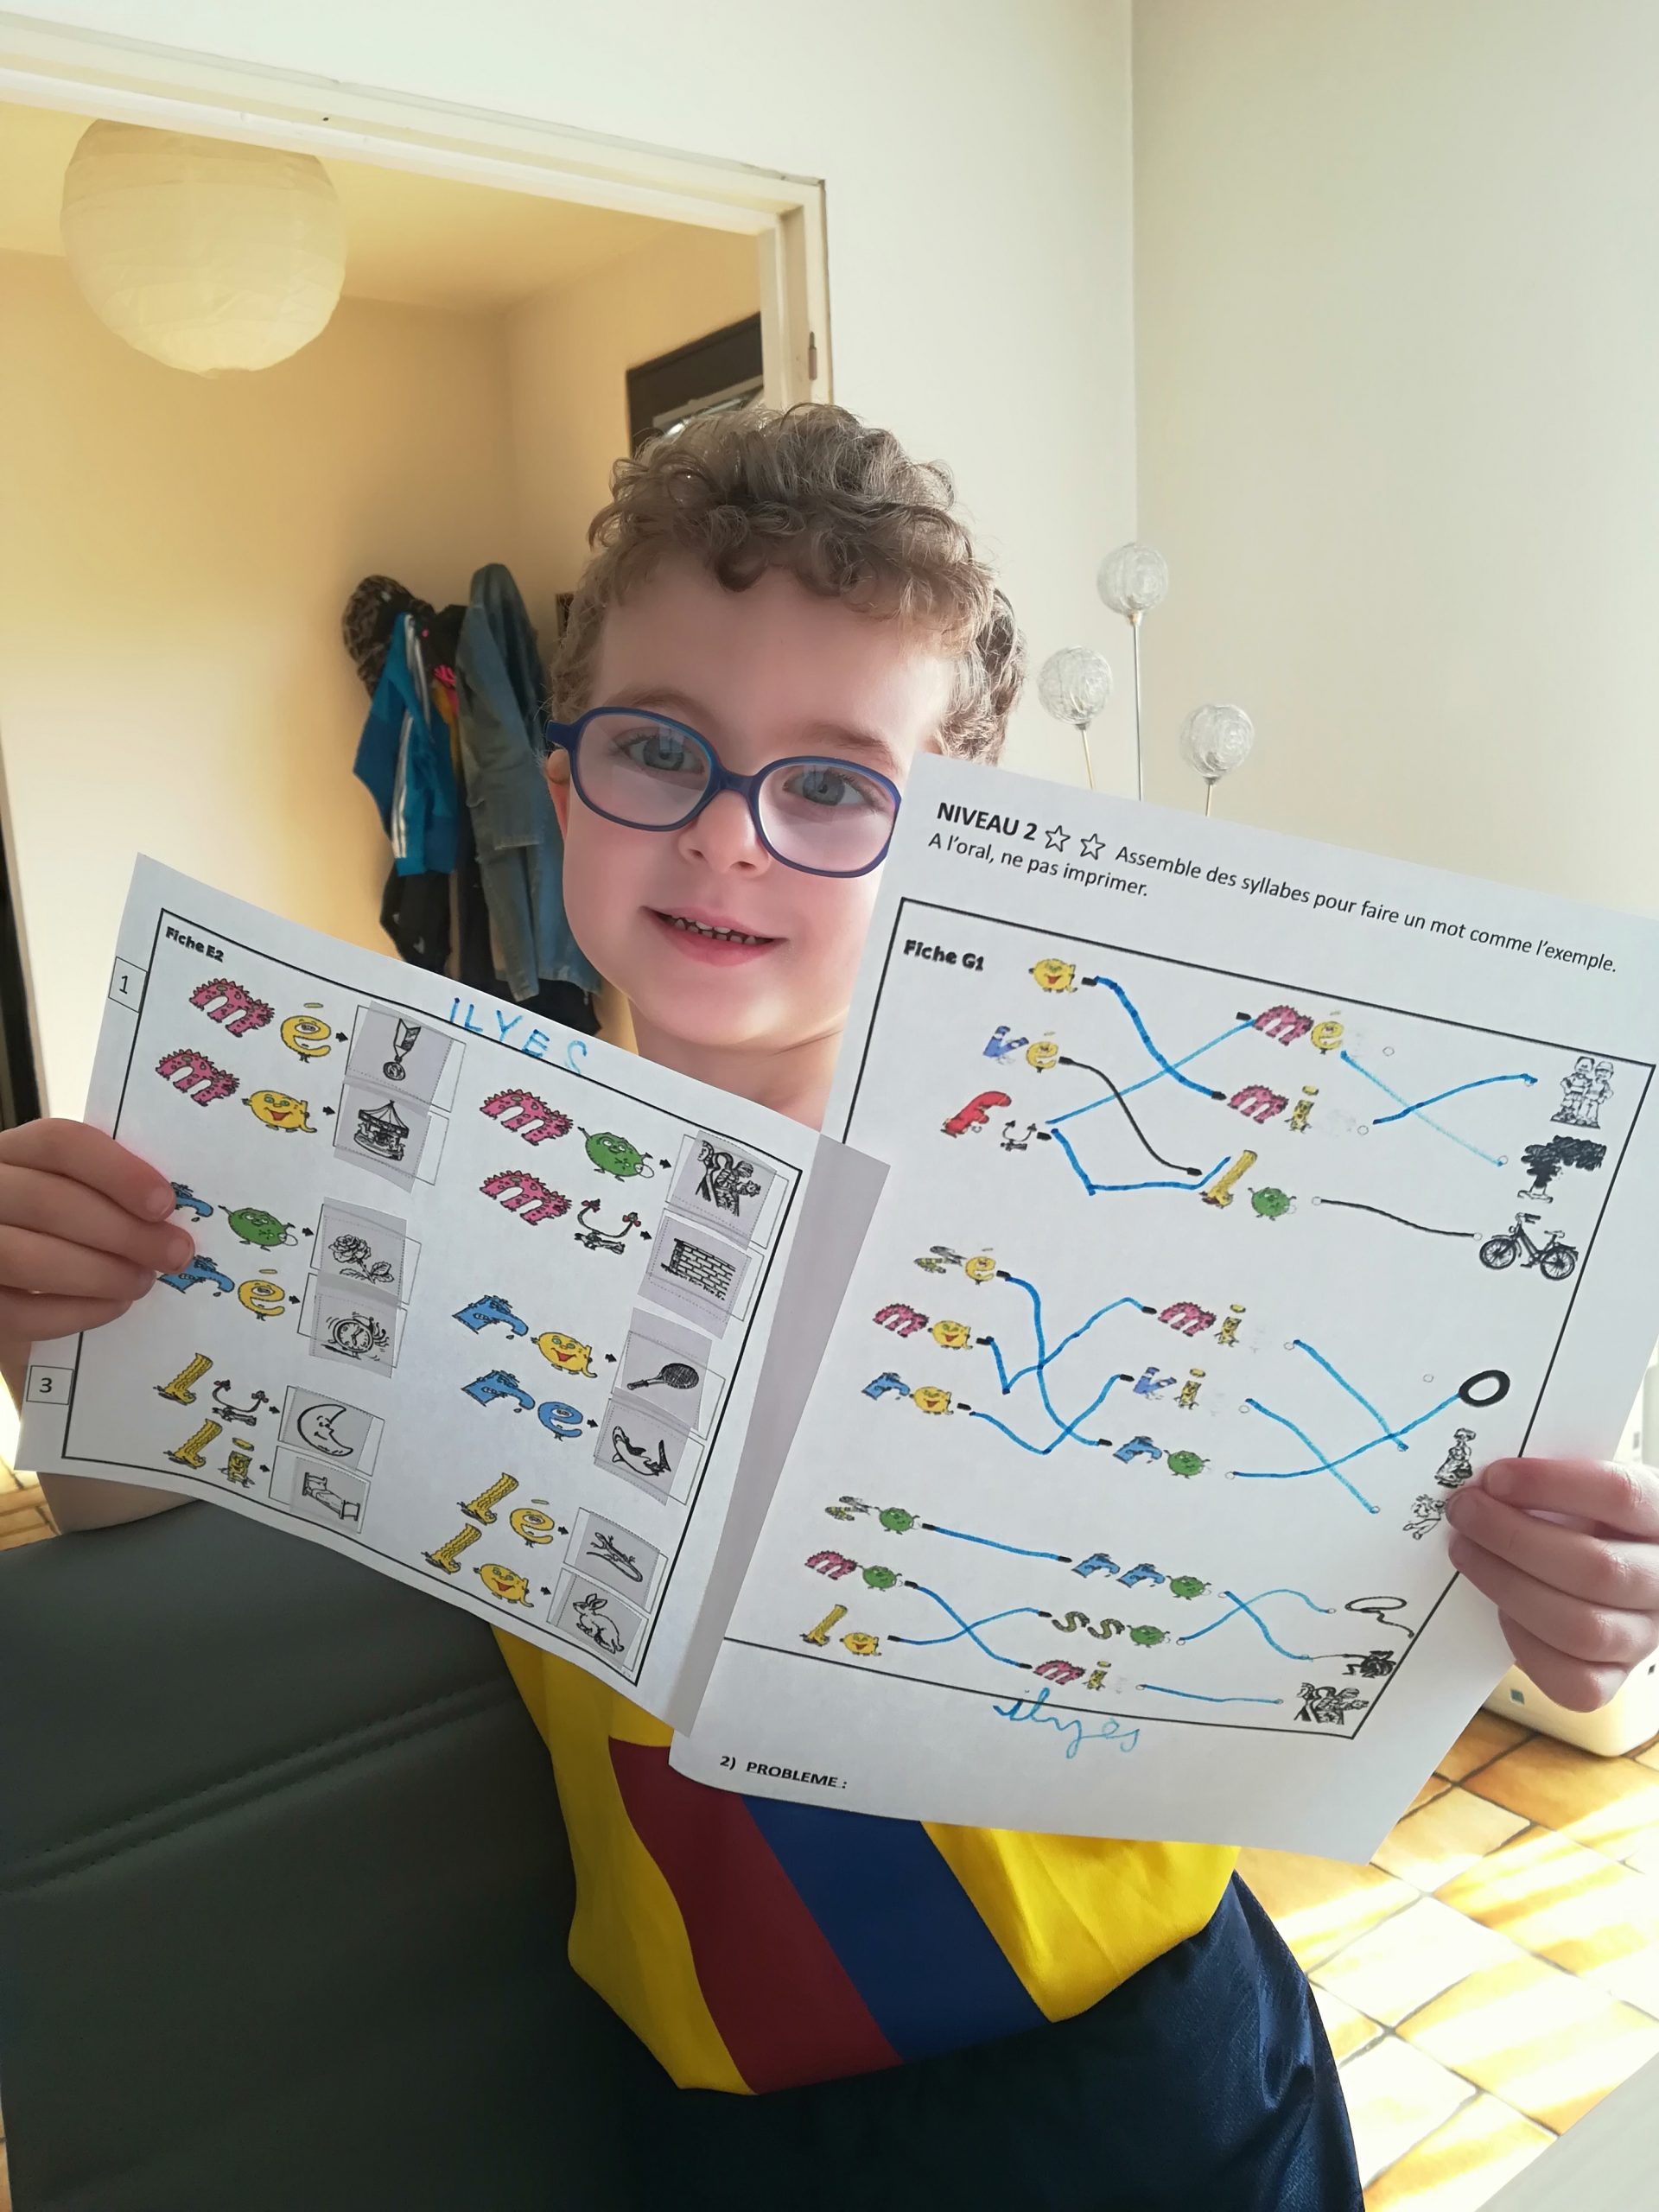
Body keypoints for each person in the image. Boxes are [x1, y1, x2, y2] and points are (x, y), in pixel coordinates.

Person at [9, 406, 1659, 2212]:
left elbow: (1355, 1547)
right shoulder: (449, 1178)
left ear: (956, 846)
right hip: (716, 2111)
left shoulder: (1103, 1225)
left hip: (1131, 2074)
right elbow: (117, 1495)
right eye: (661, 749)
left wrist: (1546, 1592)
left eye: (835, 785)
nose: (730, 838)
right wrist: (60, 1314)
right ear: (560, 785)